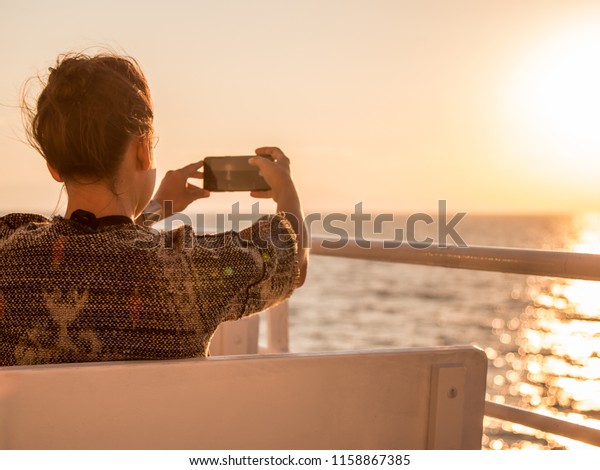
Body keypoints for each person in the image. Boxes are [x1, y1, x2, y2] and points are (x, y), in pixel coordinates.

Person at [0, 52, 307, 366]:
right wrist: (286, 190)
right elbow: (290, 258)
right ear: (143, 150)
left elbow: (95, 246)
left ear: (54, 166)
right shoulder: (186, 270)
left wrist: (156, 210)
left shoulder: (8, 249)